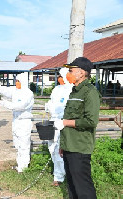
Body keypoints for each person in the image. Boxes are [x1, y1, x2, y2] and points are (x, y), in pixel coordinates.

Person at [55, 57, 100, 199]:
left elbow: (91, 121)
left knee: (83, 187)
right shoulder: (75, 91)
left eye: (71, 70)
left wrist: (65, 123)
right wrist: (63, 145)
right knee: (72, 185)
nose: (68, 74)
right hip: (70, 145)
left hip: (80, 147)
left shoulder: (89, 92)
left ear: (81, 73)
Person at [0, 73, 34, 172]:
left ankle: (24, 168)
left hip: (24, 122)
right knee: (18, 144)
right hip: (16, 121)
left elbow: (20, 106)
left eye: (18, 81)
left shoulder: (28, 93)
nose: (16, 83)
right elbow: (5, 91)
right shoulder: (16, 91)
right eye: (16, 81)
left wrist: (4, 103)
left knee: (24, 145)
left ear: (23, 82)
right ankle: (19, 165)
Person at [45, 68, 73, 186]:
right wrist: (48, 107)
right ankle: (58, 175)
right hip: (54, 123)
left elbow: (67, 109)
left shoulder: (72, 90)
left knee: (62, 150)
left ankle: (63, 176)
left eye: (61, 76)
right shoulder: (56, 89)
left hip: (64, 124)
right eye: (59, 76)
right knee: (53, 148)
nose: (59, 79)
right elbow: (52, 103)